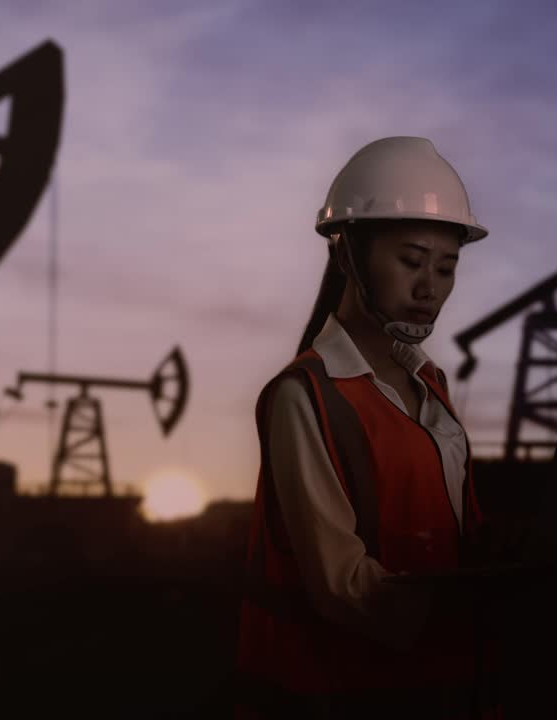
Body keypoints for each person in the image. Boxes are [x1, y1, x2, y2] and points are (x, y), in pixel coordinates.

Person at [234, 137, 502, 719]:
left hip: (443, 690)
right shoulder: (303, 397)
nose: (430, 287)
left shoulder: (431, 389)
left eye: (446, 266)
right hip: (345, 695)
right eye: (410, 261)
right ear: (346, 254)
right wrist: (485, 610)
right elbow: (342, 587)